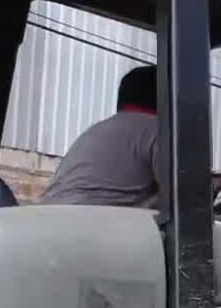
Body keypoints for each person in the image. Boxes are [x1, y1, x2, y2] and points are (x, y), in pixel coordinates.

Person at [43, 66, 166, 209]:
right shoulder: (157, 131)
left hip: (49, 213)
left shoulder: (96, 130)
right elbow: (181, 191)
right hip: (99, 219)